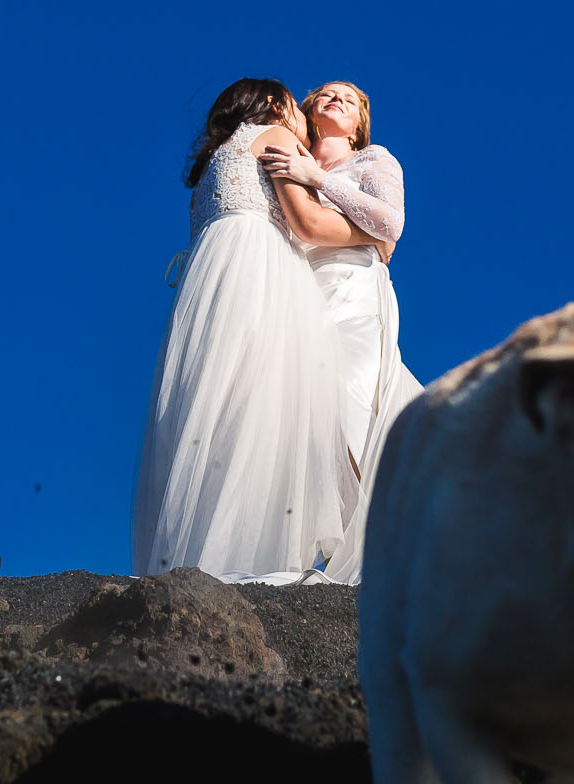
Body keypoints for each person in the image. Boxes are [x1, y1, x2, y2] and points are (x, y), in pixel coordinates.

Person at [130, 78, 387, 580]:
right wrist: (371, 235)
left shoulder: (210, 167)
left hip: (207, 282)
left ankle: (194, 558)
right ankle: (252, 559)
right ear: (275, 105)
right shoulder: (275, 136)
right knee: (269, 406)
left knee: (213, 409)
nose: (302, 119)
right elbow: (309, 224)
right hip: (258, 269)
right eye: (296, 105)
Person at [256, 80, 424, 584]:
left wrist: (319, 179)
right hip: (296, 291)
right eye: (327, 95)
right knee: (296, 416)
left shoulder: (375, 160)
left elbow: (389, 224)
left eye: (348, 100)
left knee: (346, 408)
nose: (336, 100)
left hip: (351, 291)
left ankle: (368, 557)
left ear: (359, 124)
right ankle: (306, 550)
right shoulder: (286, 159)